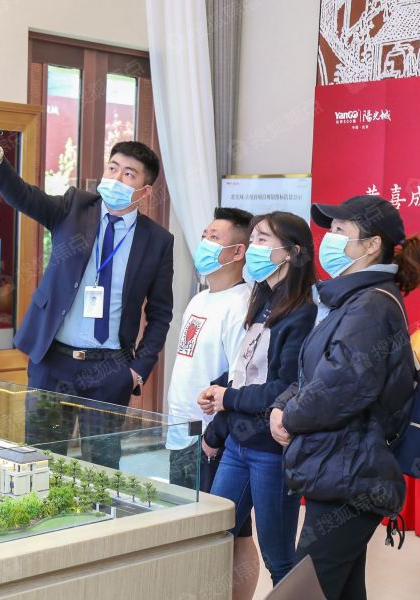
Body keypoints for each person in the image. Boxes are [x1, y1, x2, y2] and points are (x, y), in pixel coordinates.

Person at [0, 114, 174, 470]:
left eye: (129, 174)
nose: (116, 178)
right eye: (113, 168)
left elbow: (160, 314)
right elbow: (23, 196)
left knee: (101, 467)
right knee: (42, 460)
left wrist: (137, 370)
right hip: (54, 363)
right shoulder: (75, 207)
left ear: (145, 191)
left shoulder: (157, 240)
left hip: (110, 368)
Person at [269, 195, 420, 600]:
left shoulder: (370, 307)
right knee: (340, 590)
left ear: (372, 245)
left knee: (303, 590)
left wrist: (289, 416)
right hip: (342, 468)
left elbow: (341, 386)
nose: (330, 237)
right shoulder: (353, 299)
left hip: (349, 474)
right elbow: (317, 373)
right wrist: (282, 404)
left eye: (341, 230)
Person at [199, 211, 318, 592]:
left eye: (263, 240)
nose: (253, 248)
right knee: (214, 537)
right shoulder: (262, 298)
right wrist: (219, 392)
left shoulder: (302, 312)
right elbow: (246, 368)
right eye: (252, 240)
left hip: (270, 449)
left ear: (291, 252)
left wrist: (228, 398)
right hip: (238, 442)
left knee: (278, 556)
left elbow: (285, 385)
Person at [165, 207, 258, 599]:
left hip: (212, 439)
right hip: (180, 431)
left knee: (230, 533)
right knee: (187, 530)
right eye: (204, 234)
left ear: (238, 251)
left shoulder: (243, 304)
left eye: (214, 238)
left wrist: (216, 435)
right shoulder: (200, 298)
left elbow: (240, 380)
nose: (204, 243)